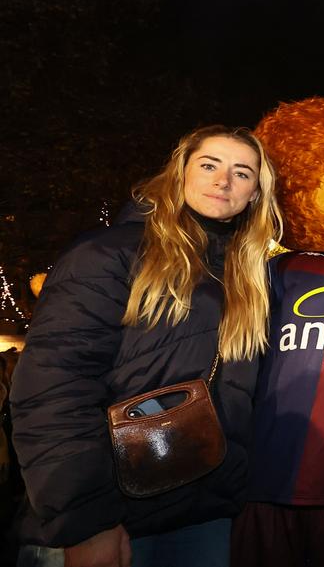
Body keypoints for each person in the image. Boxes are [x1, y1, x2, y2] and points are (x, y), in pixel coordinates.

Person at [10, 126, 282, 567]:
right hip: (107, 511)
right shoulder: (108, 254)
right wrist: (87, 519)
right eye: (208, 165)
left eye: (242, 173)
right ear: (179, 173)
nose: (223, 181)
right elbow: (53, 390)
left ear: (254, 194)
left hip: (200, 515)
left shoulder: (247, 278)